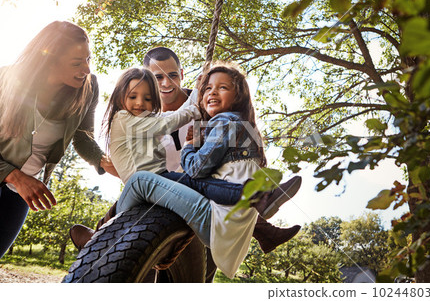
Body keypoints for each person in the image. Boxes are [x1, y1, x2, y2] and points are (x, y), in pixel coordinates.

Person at [70, 66, 300, 256]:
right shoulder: (124, 118)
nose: (140, 103)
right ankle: (99, 235)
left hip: (159, 180)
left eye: (148, 98)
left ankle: (260, 204)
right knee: (186, 180)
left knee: (198, 183)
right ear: (120, 98)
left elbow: (169, 116)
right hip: (139, 187)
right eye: (132, 96)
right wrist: (194, 109)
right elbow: (166, 123)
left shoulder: (147, 118)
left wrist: (198, 89)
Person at [0, 21, 116, 259]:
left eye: (88, 59)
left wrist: (106, 163)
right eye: (76, 62)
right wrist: (14, 176)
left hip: (22, 190)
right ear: (49, 60)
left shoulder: (88, 87)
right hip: (15, 178)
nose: (86, 69)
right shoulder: (6, 80)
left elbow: (83, 138)